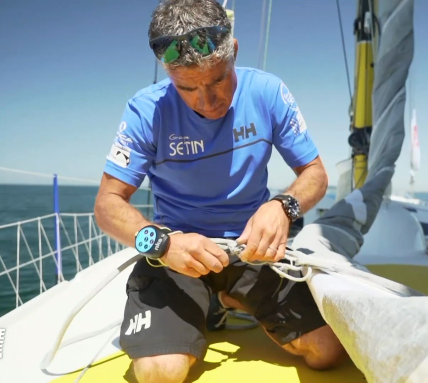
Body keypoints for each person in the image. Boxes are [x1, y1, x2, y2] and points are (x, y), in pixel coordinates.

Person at [94, 0, 345, 382]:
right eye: (186, 88)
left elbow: (315, 173)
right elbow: (107, 205)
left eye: (217, 80)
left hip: (251, 251)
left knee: (326, 351)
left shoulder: (268, 92)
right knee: (160, 374)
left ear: (235, 52)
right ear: (168, 73)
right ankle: (210, 299)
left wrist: (283, 206)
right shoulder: (146, 111)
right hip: (176, 252)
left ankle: (228, 296)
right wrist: (162, 244)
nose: (206, 102)